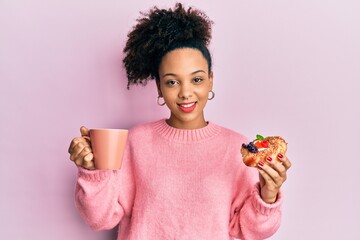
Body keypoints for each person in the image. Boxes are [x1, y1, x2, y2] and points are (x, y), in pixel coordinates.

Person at [68, 3, 291, 239]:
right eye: (172, 82)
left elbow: (248, 231)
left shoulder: (238, 148)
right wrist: (92, 171)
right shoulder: (136, 141)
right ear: (159, 87)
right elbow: (99, 218)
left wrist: (269, 193)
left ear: (210, 81)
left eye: (196, 80)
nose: (185, 93)